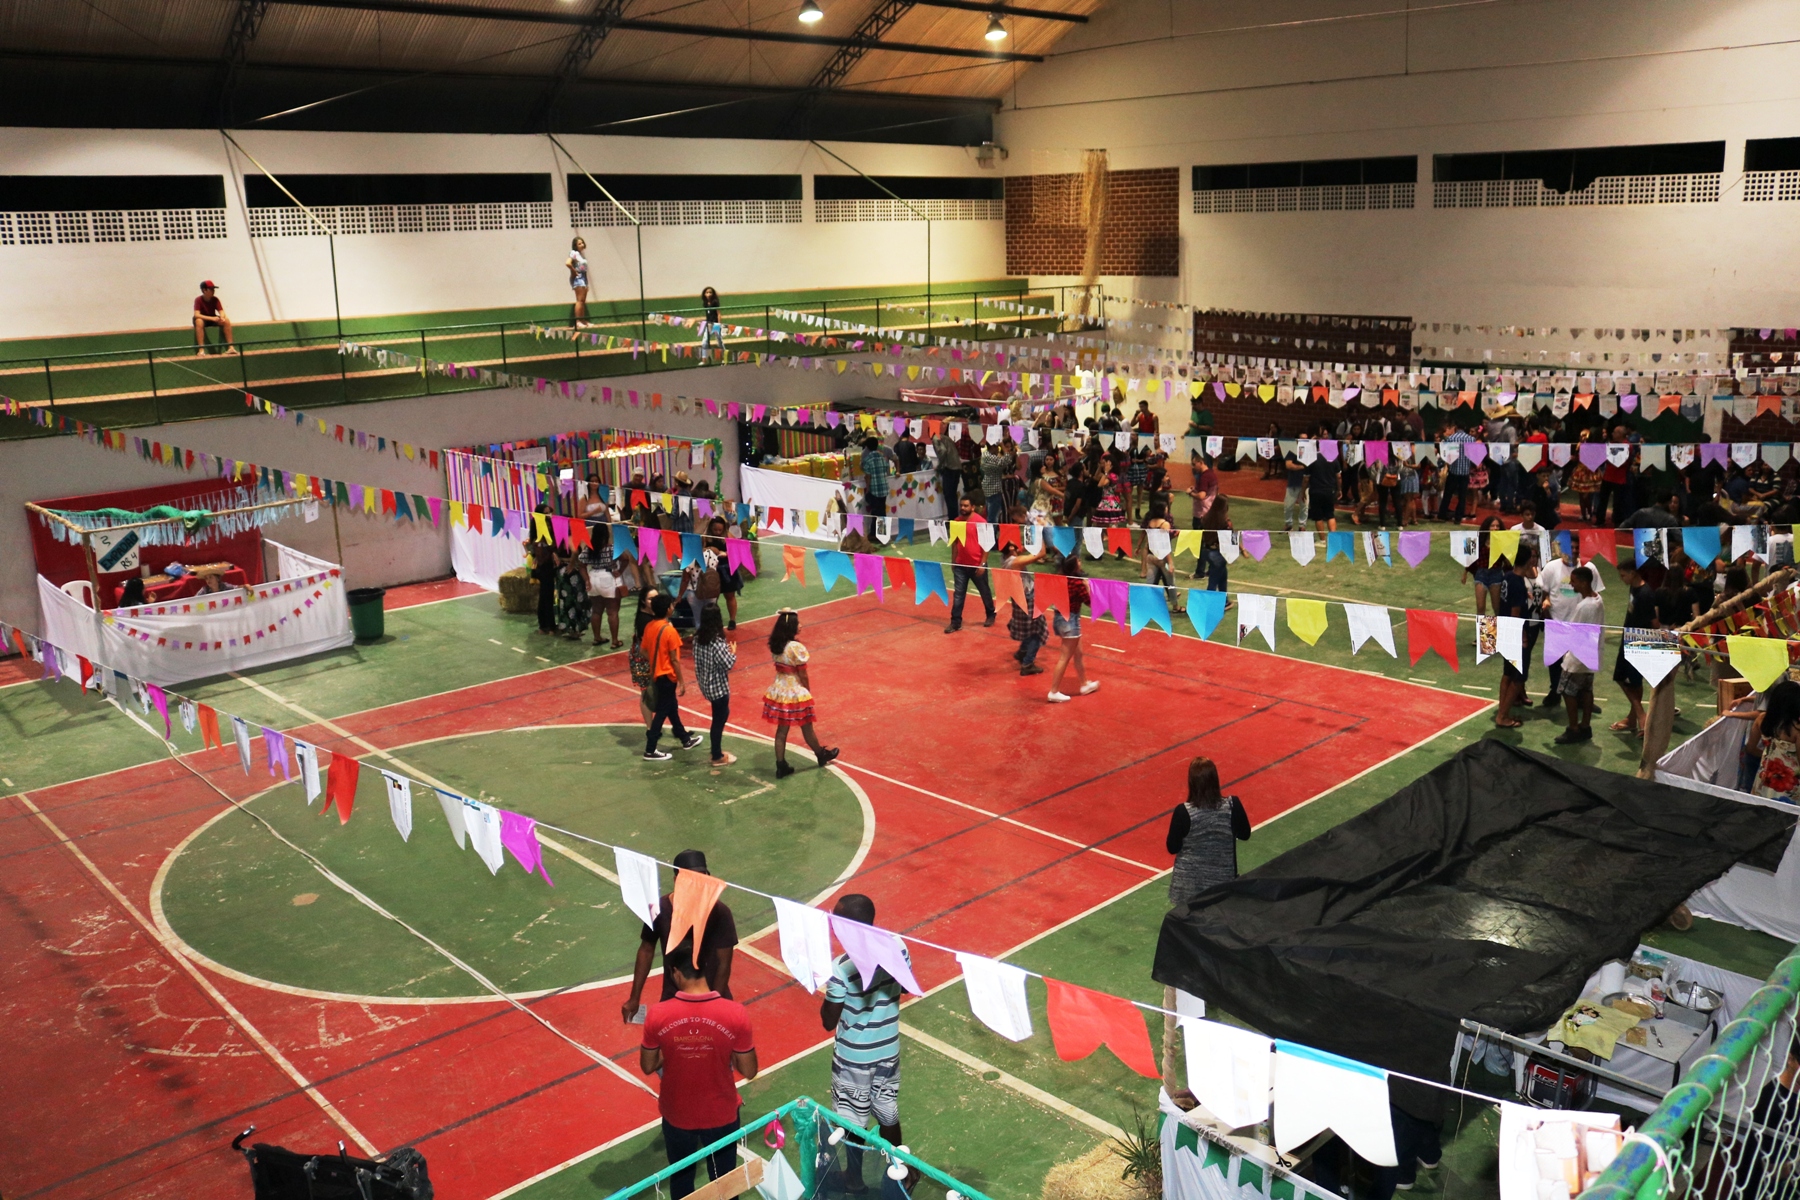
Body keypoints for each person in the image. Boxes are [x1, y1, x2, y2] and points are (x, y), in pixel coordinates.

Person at [640, 938, 758, 1200]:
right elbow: (749, 1070)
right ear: (705, 968)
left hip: (678, 1114)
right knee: (726, 1187)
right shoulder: (735, 1013)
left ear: (676, 973)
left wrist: (671, 1049)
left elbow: (648, 1065)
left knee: (681, 1185)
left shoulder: (657, 1014)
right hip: (721, 1113)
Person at [820, 893, 911, 1192]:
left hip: (854, 1058)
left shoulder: (840, 968)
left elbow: (828, 1021)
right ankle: (901, 1172)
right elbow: (904, 988)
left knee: (851, 1120)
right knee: (887, 1111)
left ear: (847, 927)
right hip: (888, 1050)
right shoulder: (897, 946)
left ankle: (855, 1179)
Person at [624, 848, 740, 1020]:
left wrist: (714, 1004)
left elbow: (724, 964)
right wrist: (634, 998)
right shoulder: (658, 909)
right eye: (691, 879)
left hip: (711, 994)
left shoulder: (720, 912)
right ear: (676, 880)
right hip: (674, 996)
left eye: (702, 877)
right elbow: (646, 950)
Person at [763, 609, 839, 779]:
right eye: (798, 623)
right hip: (795, 692)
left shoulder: (776, 645)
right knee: (807, 726)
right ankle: (820, 754)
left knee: (781, 731)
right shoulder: (796, 648)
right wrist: (807, 691)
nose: (801, 625)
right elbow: (802, 674)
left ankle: (781, 765)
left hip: (780, 691)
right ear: (791, 626)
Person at [1166, 756, 1250, 907]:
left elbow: (1173, 847)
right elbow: (1245, 834)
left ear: (1192, 783)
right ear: (1215, 780)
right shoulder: (1232, 806)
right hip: (1222, 884)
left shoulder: (1183, 812)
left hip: (1188, 886)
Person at [1537, 537, 1606, 708]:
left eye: (1577, 547)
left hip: (1581, 627)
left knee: (1583, 666)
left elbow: (1595, 595)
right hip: (1557, 622)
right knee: (1555, 663)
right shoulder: (1551, 567)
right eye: (1571, 547)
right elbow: (1545, 591)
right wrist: (1546, 601)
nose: (1574, 551)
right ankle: (1555, 693)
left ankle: (1584, 699)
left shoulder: (1589, 568)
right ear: (1562, 550)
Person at [642, 593, 703, 761]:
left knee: (671, 708)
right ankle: (650, 749)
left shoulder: (649, 626)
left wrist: (655, 662)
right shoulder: (670, 630)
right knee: (663, 711)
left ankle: (685, 739)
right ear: (668, 609)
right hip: (668, 676)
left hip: (657, 674)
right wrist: (681, 681)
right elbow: (675, 659)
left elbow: (643, 650)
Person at [1555, 567, 1604, 745]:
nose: (1571, 584)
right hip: (1591, 654)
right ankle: (1585, 726)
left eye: (1574, 581)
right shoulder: (1598, 599)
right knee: (1587, 690)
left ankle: (1573, 728)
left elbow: (1573, 631)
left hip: (1577, 658)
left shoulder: (1584, 607)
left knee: (1567, 692)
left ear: (1583, 583)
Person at [1610, 563, 1659, 736]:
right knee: (1623, 678)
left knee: (1633, 681)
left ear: (1633, 573)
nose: (1621, 579)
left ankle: (1640, 716)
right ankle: (1634, 718)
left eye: (1623, 575)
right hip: (1628, 638)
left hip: (1639, 642)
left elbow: (1654, 623)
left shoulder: (1646, 594)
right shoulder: (1633, 587)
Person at [1731, 680, 1800, 801]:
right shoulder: (1797, 729)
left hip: (1764, 780)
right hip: (1789, 786)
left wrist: (1770, 756)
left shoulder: (1761, 719)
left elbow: (1750, 748)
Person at [1492, 544, 1534, 729]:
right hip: (1515, 634)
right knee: (1518, 679)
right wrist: (1523, 637)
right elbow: (1516, 613)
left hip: (1503, 630)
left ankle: (1503, 711)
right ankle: (1502, 717)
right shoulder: (1517, 583)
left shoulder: (1508, 577)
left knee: (1507, 674)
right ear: (1528, 561)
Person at [1046, 552, 1096, 704]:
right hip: (1070, 621)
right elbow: (1091, 603)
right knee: (1064, 658)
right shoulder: (1077, 583)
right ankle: (1053, 691)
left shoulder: (1059, 579)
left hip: (1059, 618)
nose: (1080, 562)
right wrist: (1087, 587)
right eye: (1078, 561)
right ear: (1074, 566)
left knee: (1078, 654)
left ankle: (1084, 684)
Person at [693, 607, 738, 768]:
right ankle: (717, 755)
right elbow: (727, 664)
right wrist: (732, 652)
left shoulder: (697, 638)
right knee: (719, 720)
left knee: (718, 717)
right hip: (718, 688)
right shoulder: (717, 642)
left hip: (706, 684)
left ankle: (716, 751)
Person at [945, 494, 996, 634]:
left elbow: (986, 545)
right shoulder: (957, 522)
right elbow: (955, 543)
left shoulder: (981, 522)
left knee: (984, 591)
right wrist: (953, 561)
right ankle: (955, 622)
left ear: (973, 507)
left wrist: (982, 563)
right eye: (961, 505)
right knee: (958, 594)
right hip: (961, 565)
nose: (963, 508)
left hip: (976, 564)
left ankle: (991, 614)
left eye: (966, 506)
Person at [1002, 527, 1049, 677]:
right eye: (1015, 542)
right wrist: (1040, 531)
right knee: (1037, 631)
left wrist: (1030, 532)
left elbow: (1025, 553)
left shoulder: (1005, 559)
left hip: (1019, 597)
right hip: (1026, 599)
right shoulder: (1015, 562)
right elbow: (1041, 554)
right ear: (1011, 548)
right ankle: (1027, 664)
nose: (1019, 543)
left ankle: (1022, 651)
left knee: (1028, 628)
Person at [1464, 516, 1506, 617]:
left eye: (1497, 526)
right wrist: (1465, 573)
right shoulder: (1478, 539)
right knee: (1480, 607)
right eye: (1492, 526)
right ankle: (1483, 627)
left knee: (1497, 608)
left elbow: (1508, 561)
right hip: (1481, 574)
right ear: (1487, 527)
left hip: (1496, 574)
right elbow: (1469, 557)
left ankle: (1496, 627)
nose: (1495, 528)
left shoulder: (1503, 541)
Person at [704, 517, 740, 630]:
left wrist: (727, 554)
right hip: (712, 571)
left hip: (727, 569)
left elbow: (736, 550)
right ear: (710, 528)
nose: (718, 532)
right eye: (715, 530)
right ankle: (714, 621)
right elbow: (699, 550)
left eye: (720, 530)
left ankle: (732, 620)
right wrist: (709, 549)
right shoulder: (705, 537)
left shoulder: (728, 536)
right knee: (713, 598)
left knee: (730, 596)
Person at [1441, 423, 1476, 524]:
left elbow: (1445, 454)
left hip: (1453, 470)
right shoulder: (1471, 439)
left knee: (1448, 494)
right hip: (1465, 471)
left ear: (1456, 428)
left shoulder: (1451, 438)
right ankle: (1458, 517)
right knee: (1462, 496)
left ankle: (1442, 515)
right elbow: (1473, 455)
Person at [1307, 432, 1338, 533]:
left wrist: (1303, 490)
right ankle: (1333, 538)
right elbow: (1339, 476)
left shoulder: (1312, 458)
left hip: (1316, 491)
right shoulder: (1333, 458)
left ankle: (1322, 540)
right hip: (1329, 491)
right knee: (1330, 515)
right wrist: (1339, 489)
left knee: (1318, 517)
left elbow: (1306, 478)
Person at [192, 280, 233, 352]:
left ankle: (231, 347)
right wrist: (212, 318)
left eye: (213, 289)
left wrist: (222, 317)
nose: (213, 291)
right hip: (204, 319)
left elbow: (221, 311)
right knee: (199, 321)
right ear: (204, 290)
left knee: (226, 320)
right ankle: (201, 349)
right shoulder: (198, 300)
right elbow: (196, 314)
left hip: (213, 319)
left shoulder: (215, 299)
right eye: (211, 289)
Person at [932, 429, 963, 520]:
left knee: (949, 496)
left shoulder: (935, 438)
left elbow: (943, 451)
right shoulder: (946, 438)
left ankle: (952, 520)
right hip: (957, 468)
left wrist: (939, 466)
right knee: (953, 496)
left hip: (949, 469)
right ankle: (955, 518)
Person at [861, 435, 895, 518]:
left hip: (874, 490)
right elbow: (886, 468)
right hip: (884, 488)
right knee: (882, 511)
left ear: (867, 447)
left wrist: (867, 489)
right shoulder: (883, 458)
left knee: (875, 513)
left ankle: (875, 527)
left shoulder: (867, 460)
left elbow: (868, 477)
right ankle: (883, 526)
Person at [1281, 443, 1307, 531]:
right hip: (1293, 482)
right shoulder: (1291, 451)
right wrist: (1303, 467)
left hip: (1305, 483)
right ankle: (1288, 524)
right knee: (1288, 506)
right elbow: (1289, 465)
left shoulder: (1309, 452)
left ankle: (1302, 526)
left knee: (1304, 506)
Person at [567, 237, 591, 328]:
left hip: (584, 278)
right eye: (579, 244)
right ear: (575, 245)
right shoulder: (574, 253)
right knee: (579, 300)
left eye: (582, 243)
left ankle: (583, 320)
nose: (582, 245)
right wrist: (574, 272)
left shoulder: (581, 255)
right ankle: (578, 321)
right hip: (578, 278)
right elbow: (568, 263)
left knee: (583, 301)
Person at [700, 286, 723, 359]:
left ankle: (723, 358)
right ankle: (704, 359)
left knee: (719, 341)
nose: (708, 294)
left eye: (710, 292)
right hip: (708, 324)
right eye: (707, 292)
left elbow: (718, 314)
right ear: (704, 294)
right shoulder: (705, 303)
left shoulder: (715, 302)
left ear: (713, 294)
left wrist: (719, 324)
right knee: (705, 341)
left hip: (715, 324)